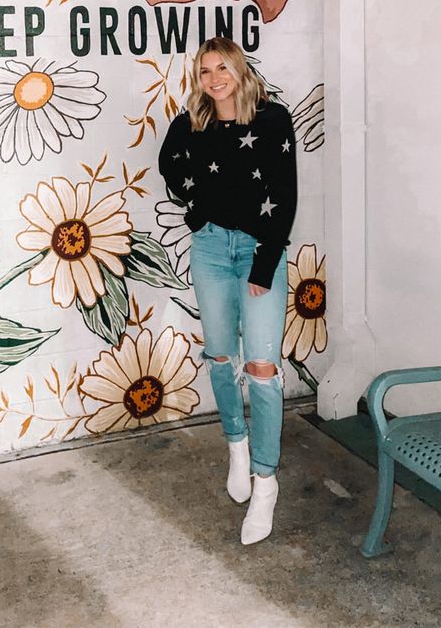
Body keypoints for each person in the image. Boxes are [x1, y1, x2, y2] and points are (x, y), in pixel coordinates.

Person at [158, 37, 297, 545]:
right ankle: (236, 448)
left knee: (262, 368)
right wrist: (197, 211)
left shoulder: (272, 119)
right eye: (204, 69)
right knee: (220, 355)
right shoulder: (192, 123)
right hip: (212, 251)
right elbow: (170, 165)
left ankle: (266, 482)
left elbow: (284, 195)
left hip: (260, 252)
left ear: (239, 70)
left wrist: (264, 262)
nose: (214, 77)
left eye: (222, 67)